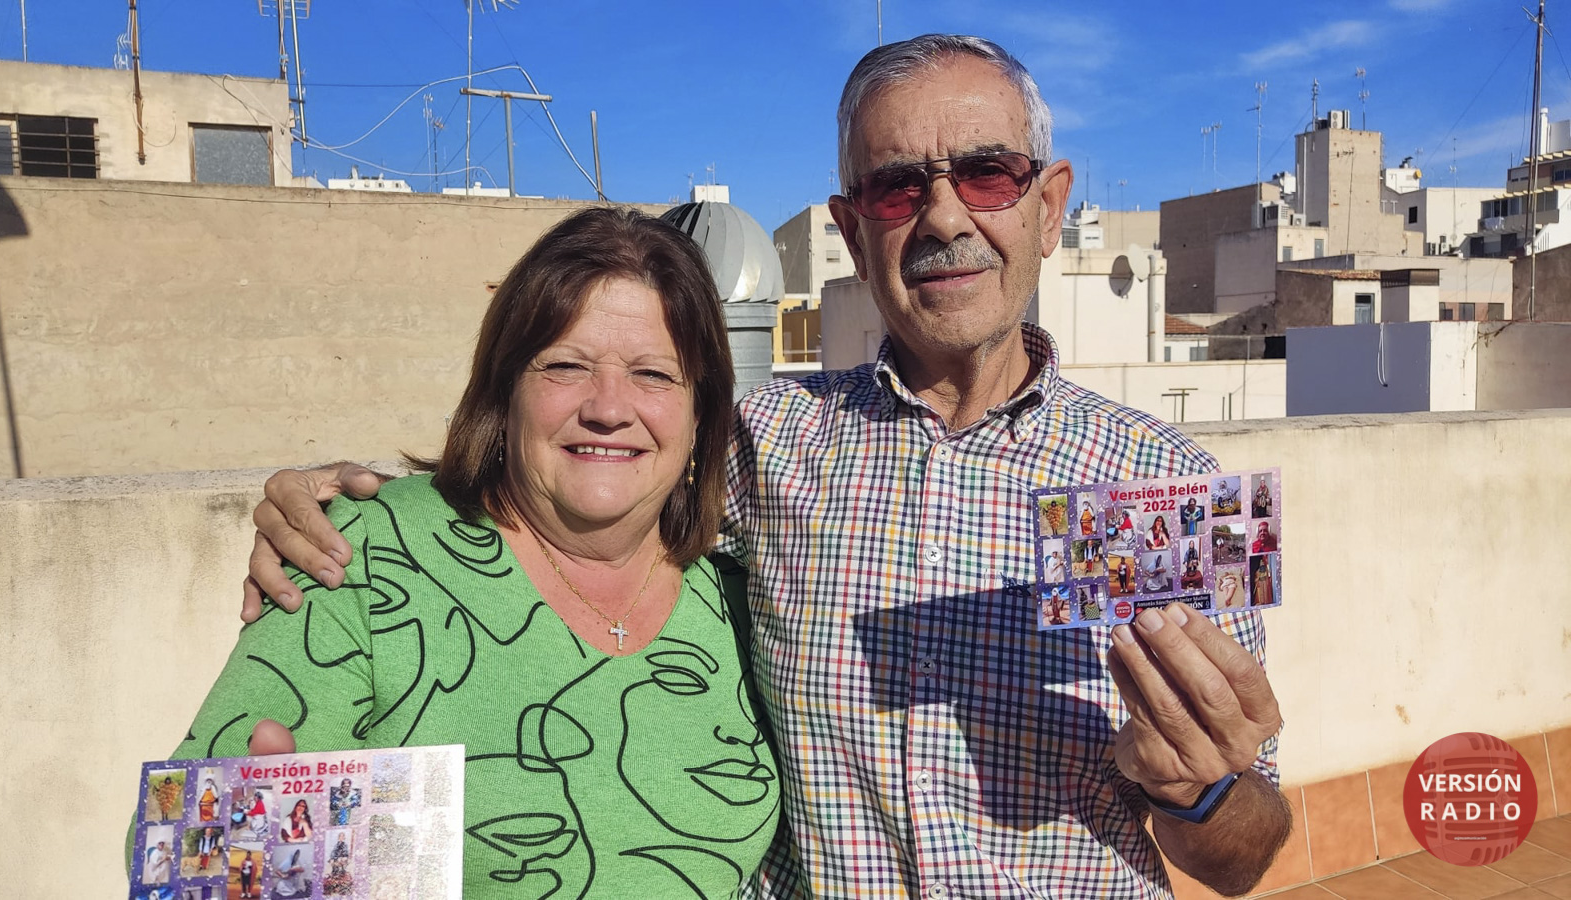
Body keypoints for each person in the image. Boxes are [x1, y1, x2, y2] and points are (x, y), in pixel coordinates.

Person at [241, 35, 1288, 898]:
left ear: (1048, 204)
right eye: (896, 188)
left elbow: (1246, 856)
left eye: (986, 173)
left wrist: (1197, 792)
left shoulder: (1167, 487)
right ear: (851, 230)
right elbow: (582, 464)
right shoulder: (762, 443)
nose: (944, 217)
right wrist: (355, 504)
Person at [165, 208, 779, 896]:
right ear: (505, 391)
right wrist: (280, 863)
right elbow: (187, 851)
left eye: (654, 374)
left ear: (701, 412)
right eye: (566, 366)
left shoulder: (739, 590)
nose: (609, 408)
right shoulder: (369, 555)